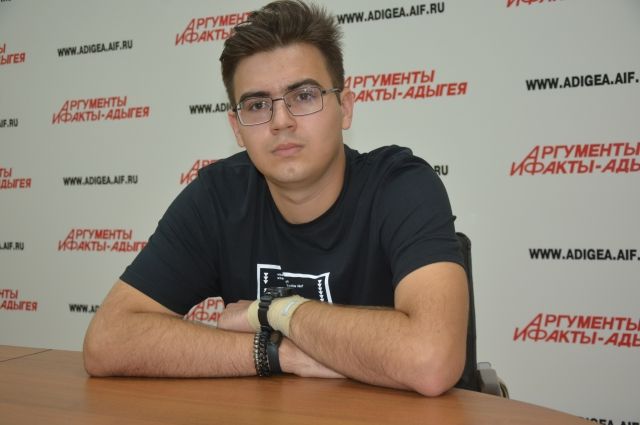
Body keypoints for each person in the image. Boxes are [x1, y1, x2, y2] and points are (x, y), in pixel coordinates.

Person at [83, 0, 469, 397]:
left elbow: (431, 360)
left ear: (345, 108)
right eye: (257, 105)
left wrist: (276, 311)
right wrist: (276, 352)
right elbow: (108, 340)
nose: (281, 121)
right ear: (237, 128)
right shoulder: (218, 197)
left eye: (303, 96)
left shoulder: (400, 186)